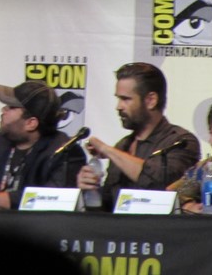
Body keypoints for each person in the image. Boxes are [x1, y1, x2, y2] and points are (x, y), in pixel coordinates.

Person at [77, 62, 200, 211]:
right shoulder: (122, 146)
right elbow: (109, 207)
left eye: (126, 99)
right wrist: (90, 190)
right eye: (118, 99)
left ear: (151, 100)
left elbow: (158, 185)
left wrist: (107, 150)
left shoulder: (180, 142)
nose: (118, 106)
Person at [0, 80, 85, 210]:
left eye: (11, 107)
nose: (3, 110)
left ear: (31, 123)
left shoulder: (65, 152)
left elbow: (50, 200)